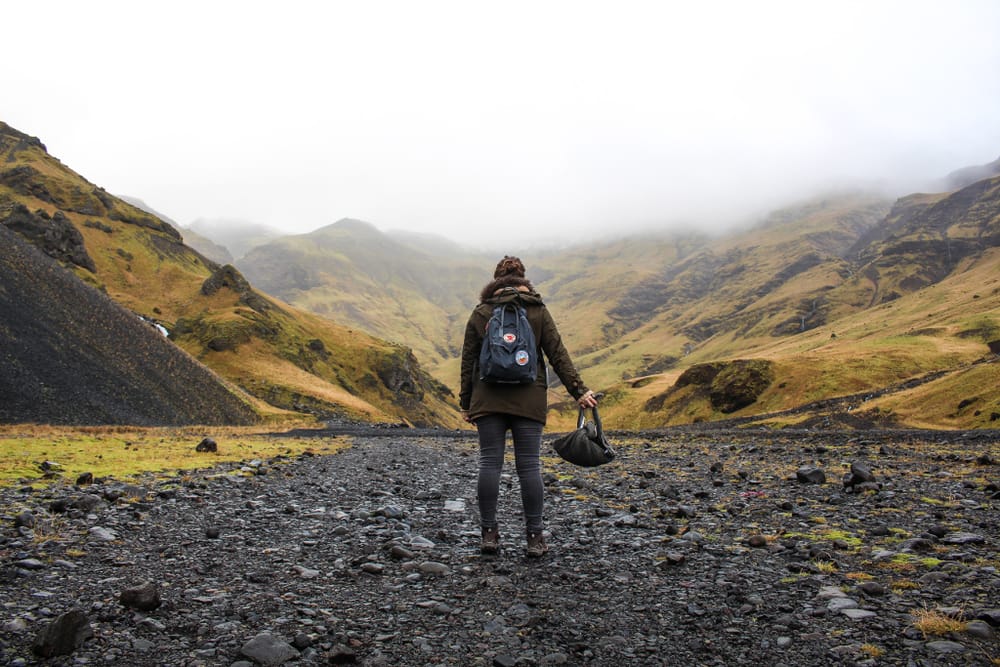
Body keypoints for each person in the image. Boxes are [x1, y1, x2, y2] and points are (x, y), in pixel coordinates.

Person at [460, 256, 598, 557]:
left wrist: (466, 403)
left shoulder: (482, 312)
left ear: (495, 280)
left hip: (487, 398)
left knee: (489, 463)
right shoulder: (537, 310)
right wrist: (579, 391)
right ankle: (535, 538)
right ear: (524, 278)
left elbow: (468, 361)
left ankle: (489, 535)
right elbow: (557, 354)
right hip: (529, 397)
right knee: (529, 467)